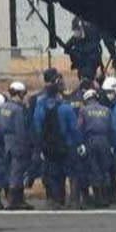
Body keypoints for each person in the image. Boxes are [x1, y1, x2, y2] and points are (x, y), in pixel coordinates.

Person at [34, 80, 85, 209]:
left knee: (53, 174)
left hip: (48, 147)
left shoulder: (40, 108)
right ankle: (74, 201)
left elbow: (37, 128)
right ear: (58, 94)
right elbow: (75, 128)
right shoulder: (66, 108)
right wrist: (79, 143)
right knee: (73, 173)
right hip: (67, 145)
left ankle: (55, 200)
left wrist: (40, 146)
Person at [25, 68, 60, 191]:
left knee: (38, 160)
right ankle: (31, 177)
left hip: (37, 135)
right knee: (49, 164)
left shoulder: (34, 98)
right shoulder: (56, 98)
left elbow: (30, 120)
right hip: (49, 137)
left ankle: (30, 177)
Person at [0, 81, 33, 210]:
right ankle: (15, 200)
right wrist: (25, 145)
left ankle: (13, 198)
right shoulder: (18, 109)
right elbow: (20, 130)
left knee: (10, 170)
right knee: (17, 171)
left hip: (6, 141)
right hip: (17, 142)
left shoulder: (4, 107)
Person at [79, 89, 114, 208]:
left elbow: (80, 128)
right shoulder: (107, 110)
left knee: (93, 168)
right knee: (105, 168)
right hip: (105, 141)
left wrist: (81, 144)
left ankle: (98, 198)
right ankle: (106, 197)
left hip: (91, 140)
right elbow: (111, 128)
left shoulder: (83, 110)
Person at [66, 17, 104, 81]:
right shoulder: (75, 38)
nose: (75, 33)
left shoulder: (93, 29)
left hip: (90, 61)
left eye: (77, 30)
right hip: (84, 62)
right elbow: (68, 46)